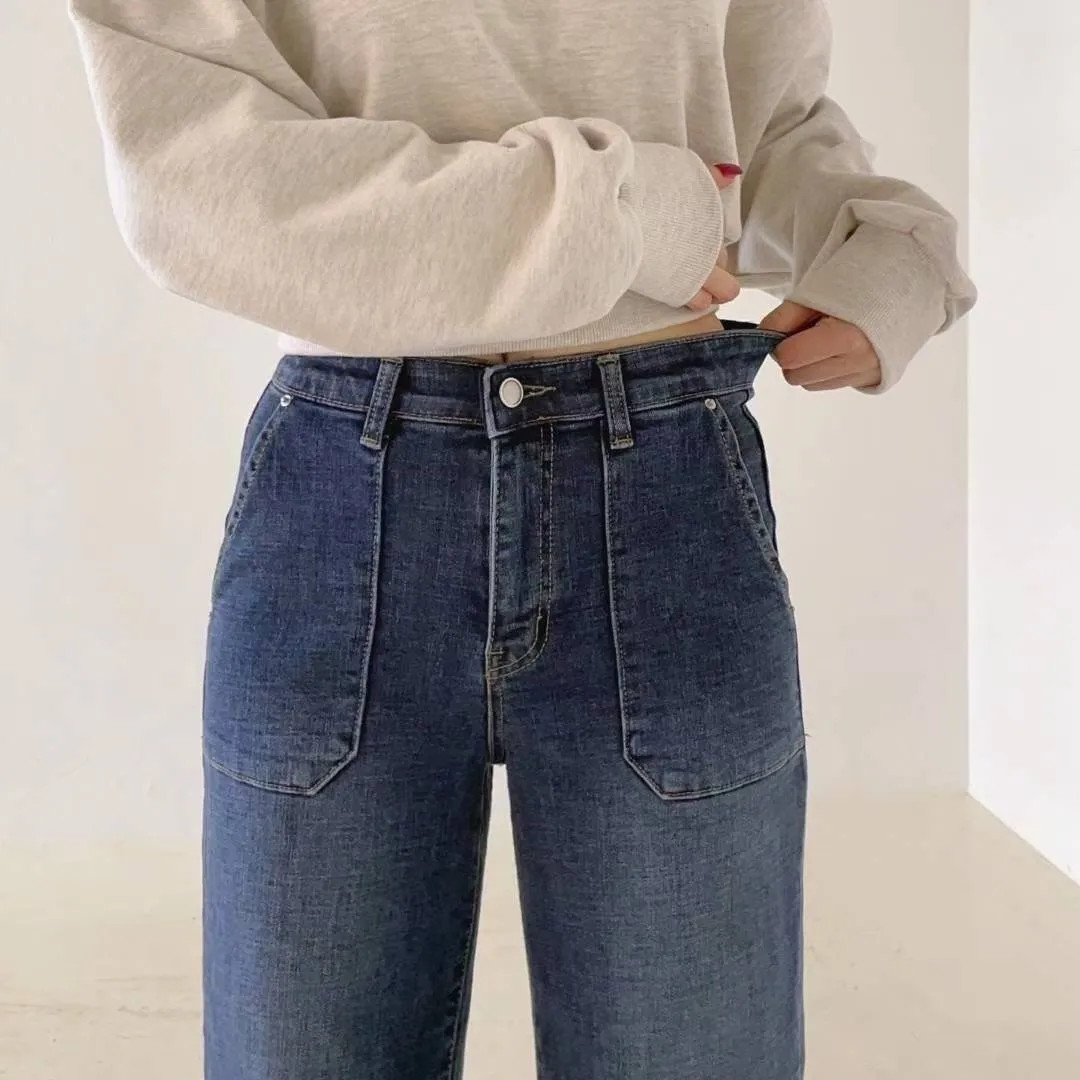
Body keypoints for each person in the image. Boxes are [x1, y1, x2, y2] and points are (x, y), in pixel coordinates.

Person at [69, 0, 975, 1076]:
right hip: (350, 498)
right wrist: (619, 211)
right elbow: (191, 180)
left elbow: (761, 124)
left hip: (663, 488)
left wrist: (884, 248)